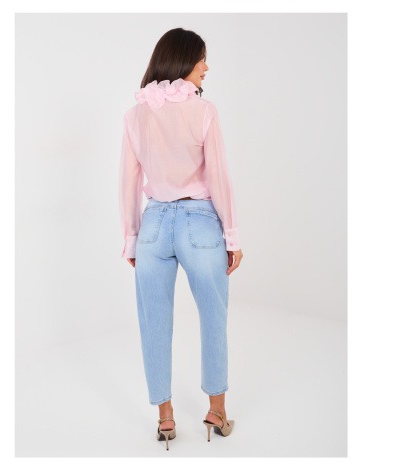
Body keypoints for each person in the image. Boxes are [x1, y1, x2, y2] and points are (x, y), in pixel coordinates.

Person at [118, 27, 243, 449]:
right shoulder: (204, 111)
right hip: (199, 224)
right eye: (202, 58)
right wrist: (232, 236)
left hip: (154, 226)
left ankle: (166, 419)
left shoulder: (135, 115)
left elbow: (128, 182)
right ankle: (216, 412)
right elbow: (219, 177)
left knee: (153, 323)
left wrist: (132, 238)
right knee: (214, 317)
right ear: (184, 59)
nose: (207, 67)